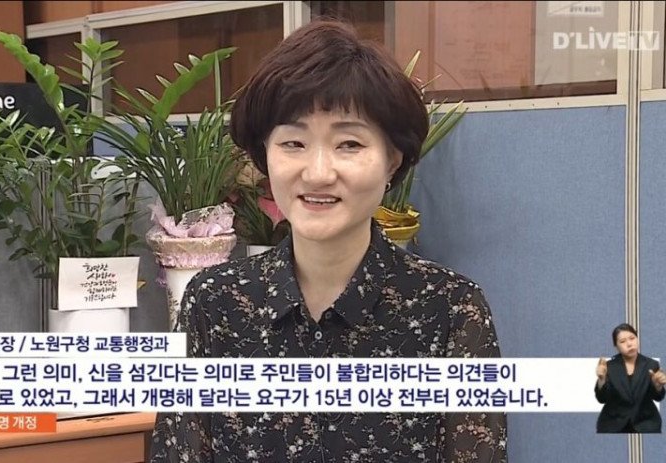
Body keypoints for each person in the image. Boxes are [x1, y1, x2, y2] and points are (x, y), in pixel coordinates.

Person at [150, 19, 507, 462]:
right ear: (265, 155)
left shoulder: (450, 310)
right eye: (293, 143)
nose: (318, 173)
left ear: (392, 160)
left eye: (349, 144)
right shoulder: (214, 303)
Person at [595, 323, 666, 433]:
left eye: (632, 338)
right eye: (622, 341)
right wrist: (601, 380)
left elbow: (658, 397)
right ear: (616, 346)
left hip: (645, 423)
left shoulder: (651, 364)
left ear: (637, 339)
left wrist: (658, 386)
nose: (629, 344)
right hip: (613, 423)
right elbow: (602, 399)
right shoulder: (609, 367)